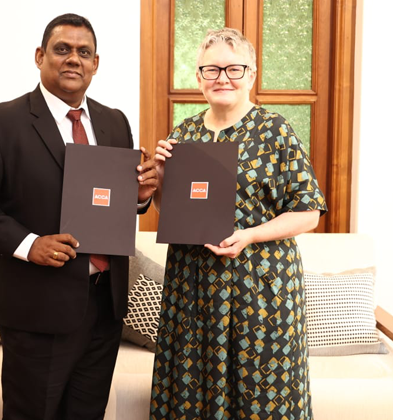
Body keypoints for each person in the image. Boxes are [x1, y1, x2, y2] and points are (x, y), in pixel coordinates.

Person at [0, 13, 157, 420]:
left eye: (84, 52)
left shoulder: (114, 122)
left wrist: (138, 198)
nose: (74, 59)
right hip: (36, 306)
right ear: (40, 56)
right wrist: (30, 245)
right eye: (62, 49)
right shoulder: (2, 122)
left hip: (105, 304)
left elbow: (109, 201)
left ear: (96, 63)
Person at [149, 28, 327, 420]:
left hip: (261, 292)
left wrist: (250, 235)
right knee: (192, 393)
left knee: (262, 397)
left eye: (234, 69)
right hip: (193, 289)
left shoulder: (276, 130)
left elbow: (309, 212)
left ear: (251, 75)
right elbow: (172, 214)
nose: (222, 78)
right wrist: (161, 179)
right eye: (211, 70)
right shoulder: (184, 135)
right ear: (198, 77)